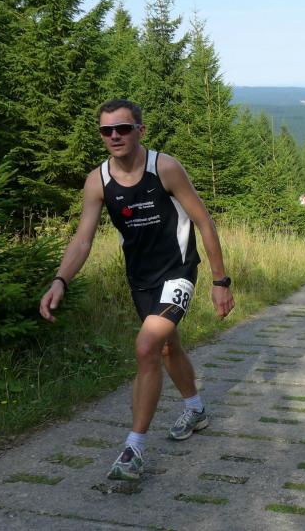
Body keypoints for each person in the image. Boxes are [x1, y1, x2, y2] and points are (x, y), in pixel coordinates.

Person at [39, 99, 234, 481]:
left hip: (178, 273)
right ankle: (196, 409)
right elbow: (83, 239)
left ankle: (133, 449)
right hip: (141, 280)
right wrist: (60, 280)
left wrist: (219, 281)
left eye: (123, 128)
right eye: (106, 130)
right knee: (167, 346)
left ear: (140, 131)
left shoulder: (165, 168)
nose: (114, 136)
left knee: (146, 347)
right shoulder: (98, 181)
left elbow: (204, 222)